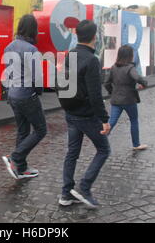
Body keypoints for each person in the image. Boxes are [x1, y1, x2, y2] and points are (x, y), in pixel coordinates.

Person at [57, 20, 111, 209]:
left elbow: (63, 84)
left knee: (72, 153)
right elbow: (96, 95)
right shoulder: (91, 60)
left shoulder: (70, 55)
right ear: (95, 37)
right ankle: (84, 187)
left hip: (70, 112)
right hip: (86, 115)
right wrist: (104, 120)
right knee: (104, 150)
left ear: (77, 35)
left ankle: (66, 194)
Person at [2, 14, 47, 180]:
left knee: (23, 130)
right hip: (27, 94)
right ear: (33, 30)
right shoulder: (32, 50)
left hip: (12, 94)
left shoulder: (9, 47)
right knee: (41, 129)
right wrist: (39, 91)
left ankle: (20, 168)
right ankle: (16, 157)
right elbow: (37, 78)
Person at [104, 45, 149, 151]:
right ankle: (136, 144)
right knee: (133, 120)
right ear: (130, 56)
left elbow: (106, 83)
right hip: (129, 99)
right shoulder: (130, 68)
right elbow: (137, 77)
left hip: (116, 99)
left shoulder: (114, 67)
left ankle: (102, 141)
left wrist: (112, 92)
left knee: (112, 121)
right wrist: (144, 84)